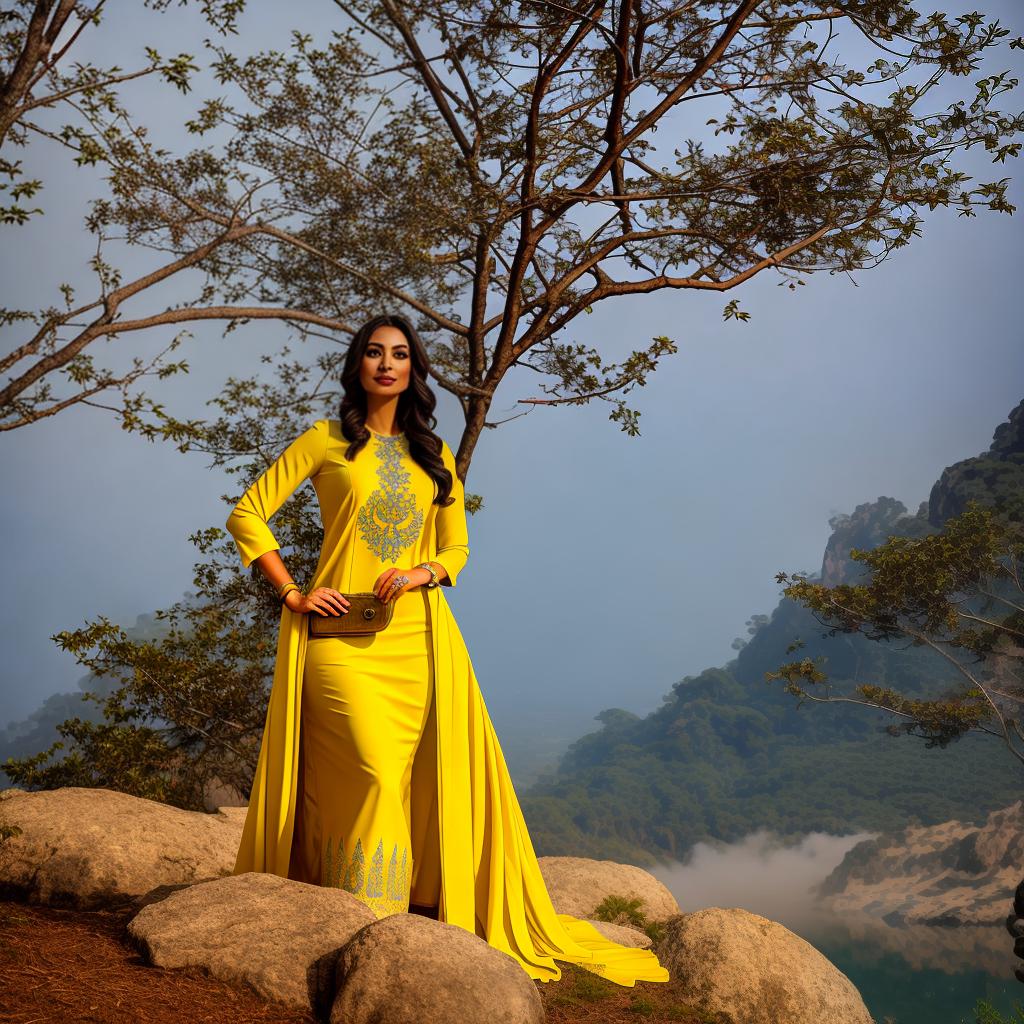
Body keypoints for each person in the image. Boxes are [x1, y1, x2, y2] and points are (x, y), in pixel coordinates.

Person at [226, 312, 670, 986]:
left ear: (413, 370)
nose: (386, 363)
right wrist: (292, 592)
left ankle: (392, 918)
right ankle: (363, 914)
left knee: (406, 778)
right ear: (357, 367)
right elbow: (248, 512)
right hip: (338, 639)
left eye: (399, 354)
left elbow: (456, 547)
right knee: (371, 769)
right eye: (373, 353)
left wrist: (418, 573)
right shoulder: (324, 442)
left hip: (417, 639)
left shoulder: (432, 456)